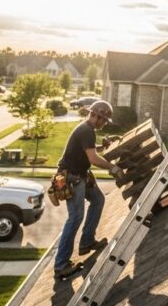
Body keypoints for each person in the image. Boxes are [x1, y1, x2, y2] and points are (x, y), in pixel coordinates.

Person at [53, 100, 124, 279]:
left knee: (98, 199)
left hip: (81, 176)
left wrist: (104, 146)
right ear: (97, 117)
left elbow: (89, 151)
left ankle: (87, 241)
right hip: (72, 179)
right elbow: (93, 159)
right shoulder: (86, 130)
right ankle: (61, 265)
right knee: (75, 218)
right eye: (103, 121)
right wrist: (113, 168)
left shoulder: (87, 130)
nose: (103, 124)